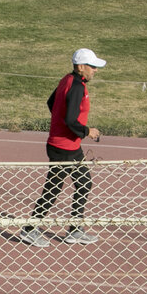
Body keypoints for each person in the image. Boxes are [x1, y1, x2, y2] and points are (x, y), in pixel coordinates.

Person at [19, 49, 106, 247]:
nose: (95, 71)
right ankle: (30, 228)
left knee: (84, 182)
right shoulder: (76, 87)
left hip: (69, 146)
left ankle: (74, 229)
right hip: (63, 148)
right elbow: (70, 119)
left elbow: (52, 103)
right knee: (52, 190)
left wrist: (61, 124)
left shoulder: (67, 80)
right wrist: (87, 131)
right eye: (92, 67)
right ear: (81, 67)